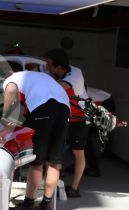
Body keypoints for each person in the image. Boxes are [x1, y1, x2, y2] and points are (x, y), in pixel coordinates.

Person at [2, 70, 70, 210]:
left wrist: (4, 116)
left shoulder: (12, 79)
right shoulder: (39, 76)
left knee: (37, 162)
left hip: (44, 107)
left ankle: (27, 206)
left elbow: (11, 90)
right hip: (64, 109)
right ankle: (46, 205)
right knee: (54, 162)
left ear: (9, 73)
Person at [43, 48, 89, 198]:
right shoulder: (52, 71)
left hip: (80, 117)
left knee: (78, 152)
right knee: (54, 149)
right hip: (63, 116)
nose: (46, 67)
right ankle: (50, 181)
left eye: (49, 64)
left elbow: (57, 88)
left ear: (59, 67)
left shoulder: (75, 74)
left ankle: (75, 188)